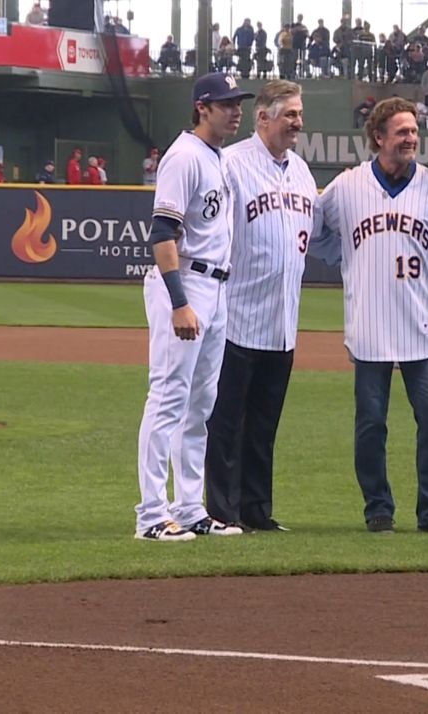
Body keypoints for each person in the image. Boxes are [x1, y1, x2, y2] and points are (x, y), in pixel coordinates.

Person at [310, 97, 428, 535]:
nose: (412, 139)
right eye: (402, 132)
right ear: (378, 138)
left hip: (421, 325)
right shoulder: (347, 187)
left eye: (414, 132)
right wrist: (344, 255)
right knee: (370, 424)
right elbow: (311, 230)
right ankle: (377, 507)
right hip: (369, 325)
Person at [134, 72, 254, 542]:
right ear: (202, 107)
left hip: (217, 287)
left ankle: (187, 508)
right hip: (185, 284)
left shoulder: (217, 157)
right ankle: (150, 515)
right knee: (167, 398)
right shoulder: (183, 156)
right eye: (226, 103)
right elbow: (162, 233)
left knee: (200, 404)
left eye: (238, 102)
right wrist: (179, 302)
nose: (236, 109)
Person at [204, 81, 315, 533]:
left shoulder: (303, 172)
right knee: (226, 423)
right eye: (289, 114)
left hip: (282, 322)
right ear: (262, 118)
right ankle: (220, 510)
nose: (298, 122)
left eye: (299, 113)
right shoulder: (230, 165)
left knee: (264, 426)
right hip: (235, 317)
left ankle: (255, 509)